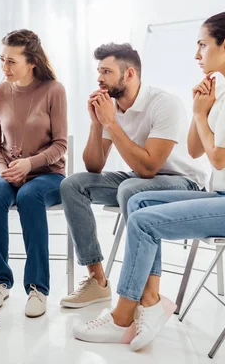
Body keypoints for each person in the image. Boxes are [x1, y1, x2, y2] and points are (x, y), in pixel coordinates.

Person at [72, 11, 225, 352]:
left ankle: (124, 316)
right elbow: (197, 149)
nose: (197, 55)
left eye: (202, 45)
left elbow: (219, 159)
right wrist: (203, 108)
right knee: (137, 201)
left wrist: (200, 113)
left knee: (143, 219)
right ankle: (151, 301)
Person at [59, 43, 208, 308]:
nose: (99, 78)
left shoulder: (164, 103)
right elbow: (94, 166)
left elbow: (148, 168)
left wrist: (111, 124)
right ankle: (97, 281)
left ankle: (145, 293)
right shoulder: (111, 108)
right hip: (138, 179)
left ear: (129, 74)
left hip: (183, 182)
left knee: (131, 189)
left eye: (106, 71)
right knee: (73, 185)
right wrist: (97, 124)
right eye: (99, 71)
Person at [0, 29, 67, 318]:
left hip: (48, 174)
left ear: (32, 61)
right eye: (1, 60)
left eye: (11, 62)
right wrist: (2, 169)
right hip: (7, 172)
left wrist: (30, 165)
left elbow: (60, 145)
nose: (4, 68)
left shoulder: (54, 90)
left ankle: (38, 288)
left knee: (30, 196)